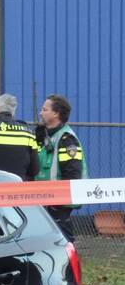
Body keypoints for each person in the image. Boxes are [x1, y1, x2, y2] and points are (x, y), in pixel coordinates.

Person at [35, 94, 87, 240]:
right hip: (45, 198)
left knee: (62, 241)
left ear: (56, 114)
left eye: (44, 109)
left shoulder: (66, 139)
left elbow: (72, 173)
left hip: (58, 203)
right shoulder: (46, 136)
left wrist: (58, 202)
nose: (41, 113)